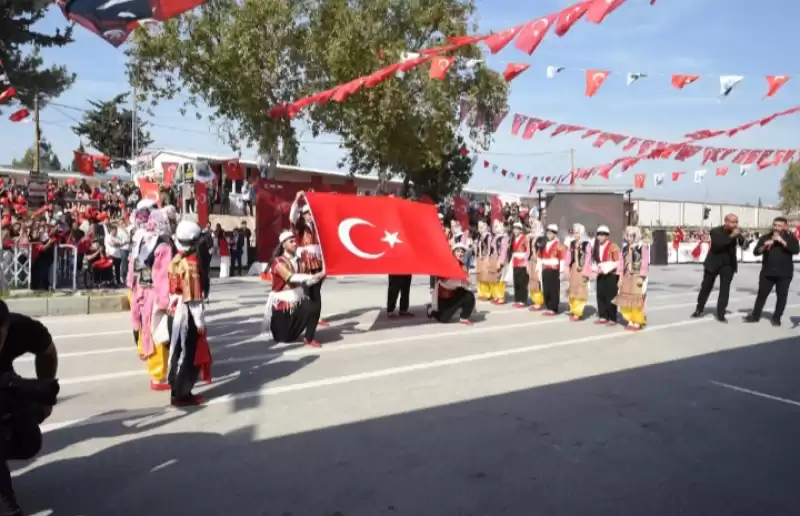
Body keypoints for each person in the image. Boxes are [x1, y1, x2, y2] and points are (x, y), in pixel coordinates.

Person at [0, 300, 59, 516]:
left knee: (29, 442)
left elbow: (48, 351)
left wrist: (43, 398)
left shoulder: (20, 328)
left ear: (6, 327)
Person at [167, 220, 213, 406]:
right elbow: (194, 300)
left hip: (174, 310)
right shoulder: (191, 264)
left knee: (177, 352)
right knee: (189, 354)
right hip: (186, 314)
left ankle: (176, 388)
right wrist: (200, 323)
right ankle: (182, 394)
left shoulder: (176, 258)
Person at [129, 209, 174, 391]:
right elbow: (163, 276)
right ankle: (159, 377)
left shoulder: (141, 239)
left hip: (141, 290)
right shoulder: (163, 246)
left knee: (145, 327)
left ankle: (147, 358)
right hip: (156, 292)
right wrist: (166, 301)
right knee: (160, 333)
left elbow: (132, 265)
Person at [262, 231, 324, 347]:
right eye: (291, 241)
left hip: (297, 302)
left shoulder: (300, 261)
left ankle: (308, 338)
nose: (295, 243)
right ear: (283, 244)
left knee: (314, 306)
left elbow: (306, 280)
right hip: (282, 306)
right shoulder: (278, 262)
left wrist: (320, 275)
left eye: (295, 241)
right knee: (283, 338)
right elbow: (291, 277)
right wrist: (312, 276)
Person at [744, 216, 800, 326]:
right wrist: (764, 246)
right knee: (761, 295)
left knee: (782, 296)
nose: (776, 227)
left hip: (785, 273)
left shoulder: (791, 238)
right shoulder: (765, 237)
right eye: (775, 225)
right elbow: (756, 252)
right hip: (767, 272)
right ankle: (755, 315)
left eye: (779, 226)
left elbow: (795, 251)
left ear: (784, 227)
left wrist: (782, 241)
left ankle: (776, 318)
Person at [692, 214, 745, 323]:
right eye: (732, 222)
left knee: (725, 289)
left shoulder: (736, 232)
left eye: (736, 222)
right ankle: (699, 308)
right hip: (713, 263)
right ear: (725, 222)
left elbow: (744, 245)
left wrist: (741, 237)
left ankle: (721, 313)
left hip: (728, 265)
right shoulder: (716, 231)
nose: (734, 224)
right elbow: (718, 245)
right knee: (706, 287)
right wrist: (731, 236)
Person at [290, 191, 328, 327]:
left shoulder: (318, 227)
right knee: (307, 291)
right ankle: (305, 316)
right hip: (305, 262)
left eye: (311, 213)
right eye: (307, 213)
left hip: (317, 261)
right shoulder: (300, 227)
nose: (310, 216)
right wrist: (297, 198)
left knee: (316, 291)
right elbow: (293, 217)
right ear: (303, 215)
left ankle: (316, 316)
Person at [428, 243, 476, 324]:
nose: (460, 254)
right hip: (444, 295)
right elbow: (444, 281)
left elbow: (466, 283)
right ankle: (431, 311)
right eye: (458, 251)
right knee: (444, 319)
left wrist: (467, 282)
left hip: (455, 293)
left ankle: (464, 317)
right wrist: (462, 282)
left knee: (469, 296)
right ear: (453, 253)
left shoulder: (463, 266)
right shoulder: (447, 264)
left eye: (462, 252)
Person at [586, 225, 621, 326]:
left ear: (607, 236)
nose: (600, 237)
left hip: (610, 274)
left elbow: (617, 262)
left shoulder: (613, 246)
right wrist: (595, 269)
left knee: (610, 296)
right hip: (600, 274)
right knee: (600, 295)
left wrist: (604, 268)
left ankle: (612, 318)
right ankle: (603, 316)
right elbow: (594, 261)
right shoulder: (596, 247)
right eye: (598, 235)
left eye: (602, 235)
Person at [616, 226, 649, 331]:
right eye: (628, 236)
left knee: (637, 299)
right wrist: (620, 278)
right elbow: (621, 264)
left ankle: (638, 321)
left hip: (637, 277)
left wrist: (641, 277)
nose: (629, 238)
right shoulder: (625, 249)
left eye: (632, 236)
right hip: (627, 277)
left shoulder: (641, 248)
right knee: (626, 298)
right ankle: (630, 319)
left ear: (636, 236)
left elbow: (644, 263)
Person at [564, 223, 591, 321]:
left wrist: (585, 271)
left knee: (580, 290)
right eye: (574, 232)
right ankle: (573, 309)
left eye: (577, 233)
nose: (575, 234)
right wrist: (566, 268)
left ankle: (578, 312)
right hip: (574, 268)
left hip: (582, 269)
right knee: (572, 289)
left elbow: (588, 259)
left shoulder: (586, 245)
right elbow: (568, 257)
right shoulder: (571, 243)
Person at [538, 224, 564, 316]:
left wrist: (561, 272)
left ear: (555, 234)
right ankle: (548, 306)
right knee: (546, 288)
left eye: (551, 232)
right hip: (545, 269)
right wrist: (538, 267)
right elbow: (540, 256)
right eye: (548, 232)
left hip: (553, 270)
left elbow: (562, 258)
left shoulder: (558, 245)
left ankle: (553, 308)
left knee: (553, 289)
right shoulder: (544, 244)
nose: (549, 234)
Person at [509, 222, 530, 308]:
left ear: (521, 230)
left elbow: (528, 250)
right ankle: (517, 299)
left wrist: (525, 260)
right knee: (516, 281)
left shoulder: (525, 238)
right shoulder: (514, 239)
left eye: (517, 229)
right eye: (514, 229)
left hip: (522, 261)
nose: (515, 230)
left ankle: (522, 300)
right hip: (515, 261)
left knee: (522, 281)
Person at [489, 220, 510, 304]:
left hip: (501, 260)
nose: (495, 228)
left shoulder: (504, 237)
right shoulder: (497, 237)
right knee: (495, 279)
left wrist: (500, 262)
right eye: (494, 226)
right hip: (495, 258)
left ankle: (501, 297)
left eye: (497, 226)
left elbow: (504, 251)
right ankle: (497, 295)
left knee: (501, 279)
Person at [527, 221, 546, 311]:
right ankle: (535, 300)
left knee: (537, 280)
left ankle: (538, 302)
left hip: (538, 261)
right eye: (532, 227)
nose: (533, 228)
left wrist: (534, 244)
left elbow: (540, 250)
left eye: (535, 226)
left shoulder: (542, 238)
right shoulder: (530, 237)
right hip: (531, 261)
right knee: (532, 280)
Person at [475, 220, 494, 301]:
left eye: (482, 226)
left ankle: (488, 293)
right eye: (479, 227)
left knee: (486, 276)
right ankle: (482, 293)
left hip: (486, 258)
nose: (480, 228)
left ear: (486, 227)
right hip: (480, 258)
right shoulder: (480, 236)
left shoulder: (488, 236)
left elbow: (490, 248)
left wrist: (487, 257)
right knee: (480, 276)